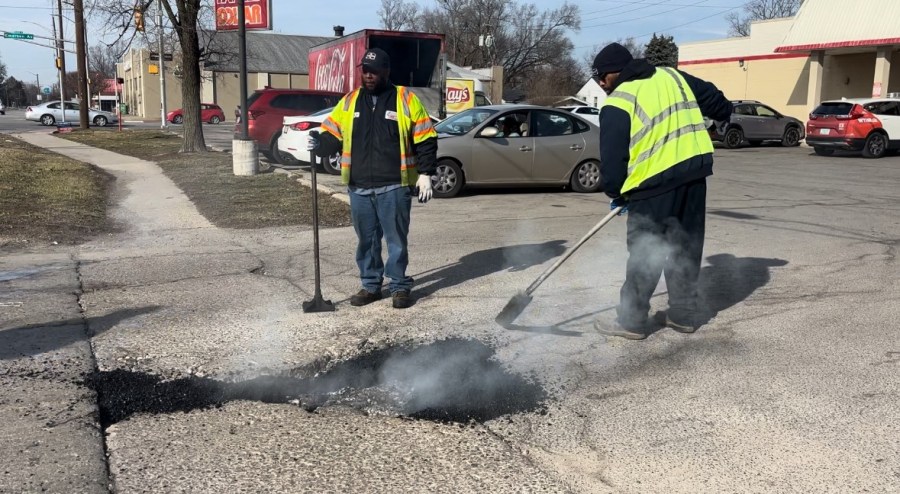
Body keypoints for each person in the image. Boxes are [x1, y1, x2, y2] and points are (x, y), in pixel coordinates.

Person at [591, 42, 733, 340]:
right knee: (686, 247)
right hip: (693, 177)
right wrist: (716, 117)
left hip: (651, 188)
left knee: (646, 252)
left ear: (611, 75)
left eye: (601, 79)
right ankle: (682, 316)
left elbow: (614, 163)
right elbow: (720, 104)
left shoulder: (619, 102)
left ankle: (630, 322)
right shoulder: (674, 77)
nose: (602, 86)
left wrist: (617, 194)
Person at [307, 48, 438, 309]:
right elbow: (332, 134)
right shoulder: (350, 101)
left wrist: (426, 173)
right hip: (360, 187)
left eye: (374, 71)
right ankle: (371, 285)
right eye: (365, 70)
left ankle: (400, 286)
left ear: (386, 71)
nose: (368, 75)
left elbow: (426, 137)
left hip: (394, 185)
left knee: (396, 240)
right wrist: (319, 143)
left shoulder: (405, 99)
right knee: (366, 240)